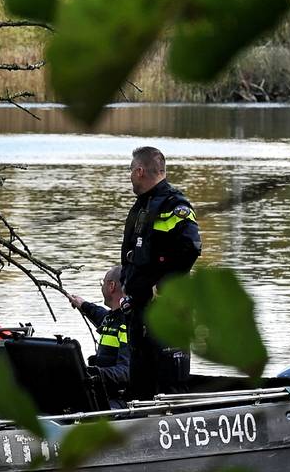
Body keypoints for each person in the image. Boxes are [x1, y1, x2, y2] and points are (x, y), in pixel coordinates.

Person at [120, 146, 201, 398]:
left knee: (170, 385)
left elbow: (191, 247)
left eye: (131, 170)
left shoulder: (174, 204)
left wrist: (163, 286)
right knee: (140, 384)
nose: (130, 176)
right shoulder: (142, 206)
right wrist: (127, 285)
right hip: (140, 309)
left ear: (140, 171)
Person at [66, 265, 130, 405]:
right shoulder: (113, 319)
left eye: (103, 283)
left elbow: (126, 371)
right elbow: (100, 315)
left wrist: (91, 373)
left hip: (120, 399)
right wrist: (83, 304)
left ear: (111, 286)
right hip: (104, 392)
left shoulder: (127, 325)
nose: (101, 287)